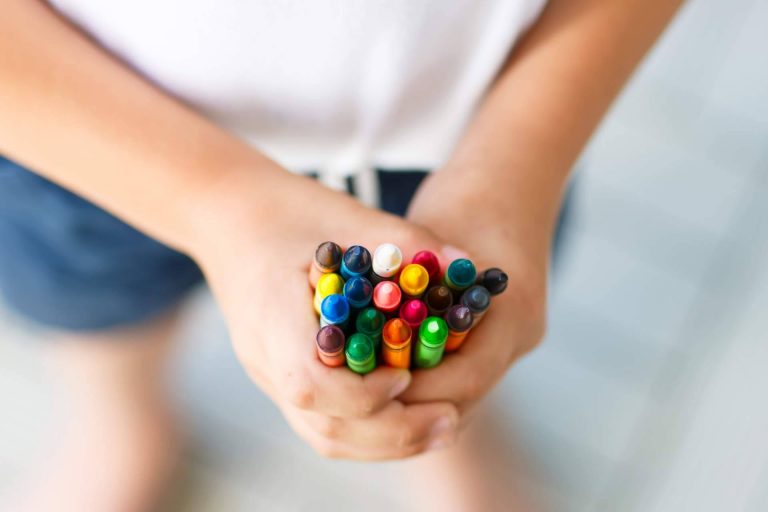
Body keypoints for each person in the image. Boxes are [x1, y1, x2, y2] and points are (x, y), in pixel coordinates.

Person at [0, 1, 682, 510]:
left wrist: (522, 155)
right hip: (87, 125)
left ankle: (443, 428)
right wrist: (219, 204)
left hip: (478, 135)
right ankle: (123, 421)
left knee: (453, 350)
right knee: (92, 309)